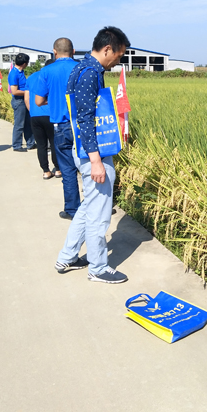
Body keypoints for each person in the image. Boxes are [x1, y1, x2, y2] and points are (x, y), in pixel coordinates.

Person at [54, 26, 130, 284]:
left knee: (88, 207)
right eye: (119, 55)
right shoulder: (89, 73)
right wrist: (96, 161)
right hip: (92, 154)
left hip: (84, 149)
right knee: (99, 213)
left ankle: (67, 256)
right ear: (107, 49)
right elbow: (86, 119)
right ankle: (98, 268)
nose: (118, 60)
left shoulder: (83, 67)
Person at [34, 38, 81, 219]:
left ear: (54, 52)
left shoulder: (46, 71)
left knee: (67, 170)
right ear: (73, 51)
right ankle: (95, 207)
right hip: (82, 124)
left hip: (61, 126)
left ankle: (72, 209)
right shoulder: (82, 68)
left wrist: (54, 99)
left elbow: (38, 101)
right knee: (89, 167)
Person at [25, 61, 60, 179]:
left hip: (35, 116)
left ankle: (46, 171)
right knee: (54, 142)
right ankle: (58, 169)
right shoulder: (52, 76)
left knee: (41, 145)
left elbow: (26, 99)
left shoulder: (31, 77)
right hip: (51, 115)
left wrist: (32, 112)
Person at [8, 53, 36, 152]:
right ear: (24, 63)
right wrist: (28, 92)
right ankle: (16, 145)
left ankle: (30, 143)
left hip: (25, 99)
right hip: (19, 101)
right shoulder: (14, 74)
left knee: (28, 123)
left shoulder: (20, 72)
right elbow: (14, 91)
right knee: (19, 124)